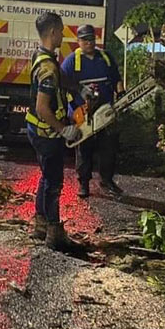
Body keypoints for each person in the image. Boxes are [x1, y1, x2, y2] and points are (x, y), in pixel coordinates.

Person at [24, 11, 85, 253]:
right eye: (60, 30)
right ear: (52, 32)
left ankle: (40, 225)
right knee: (54, 183)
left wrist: (79, 88)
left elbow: (61, 78)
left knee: (46, 177)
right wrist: (64, 130)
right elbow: (42, 107)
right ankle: (53, 233)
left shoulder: (43, 56)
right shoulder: (47, 67)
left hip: (37, 132)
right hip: (47, 135)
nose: (63, 34)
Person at [60, 24, 125, 199]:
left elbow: (116, 78)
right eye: (85, 40)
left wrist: (121, 93)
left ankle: (107, 180)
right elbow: (62, 82)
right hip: (83, 113)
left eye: (91, 39)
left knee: (108, 147)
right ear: (78, 41)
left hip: (105, 111)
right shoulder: (72, 61)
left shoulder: (105, 57)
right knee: (84, 149)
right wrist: (76, 98)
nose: (88, 43)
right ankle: (83, 183)